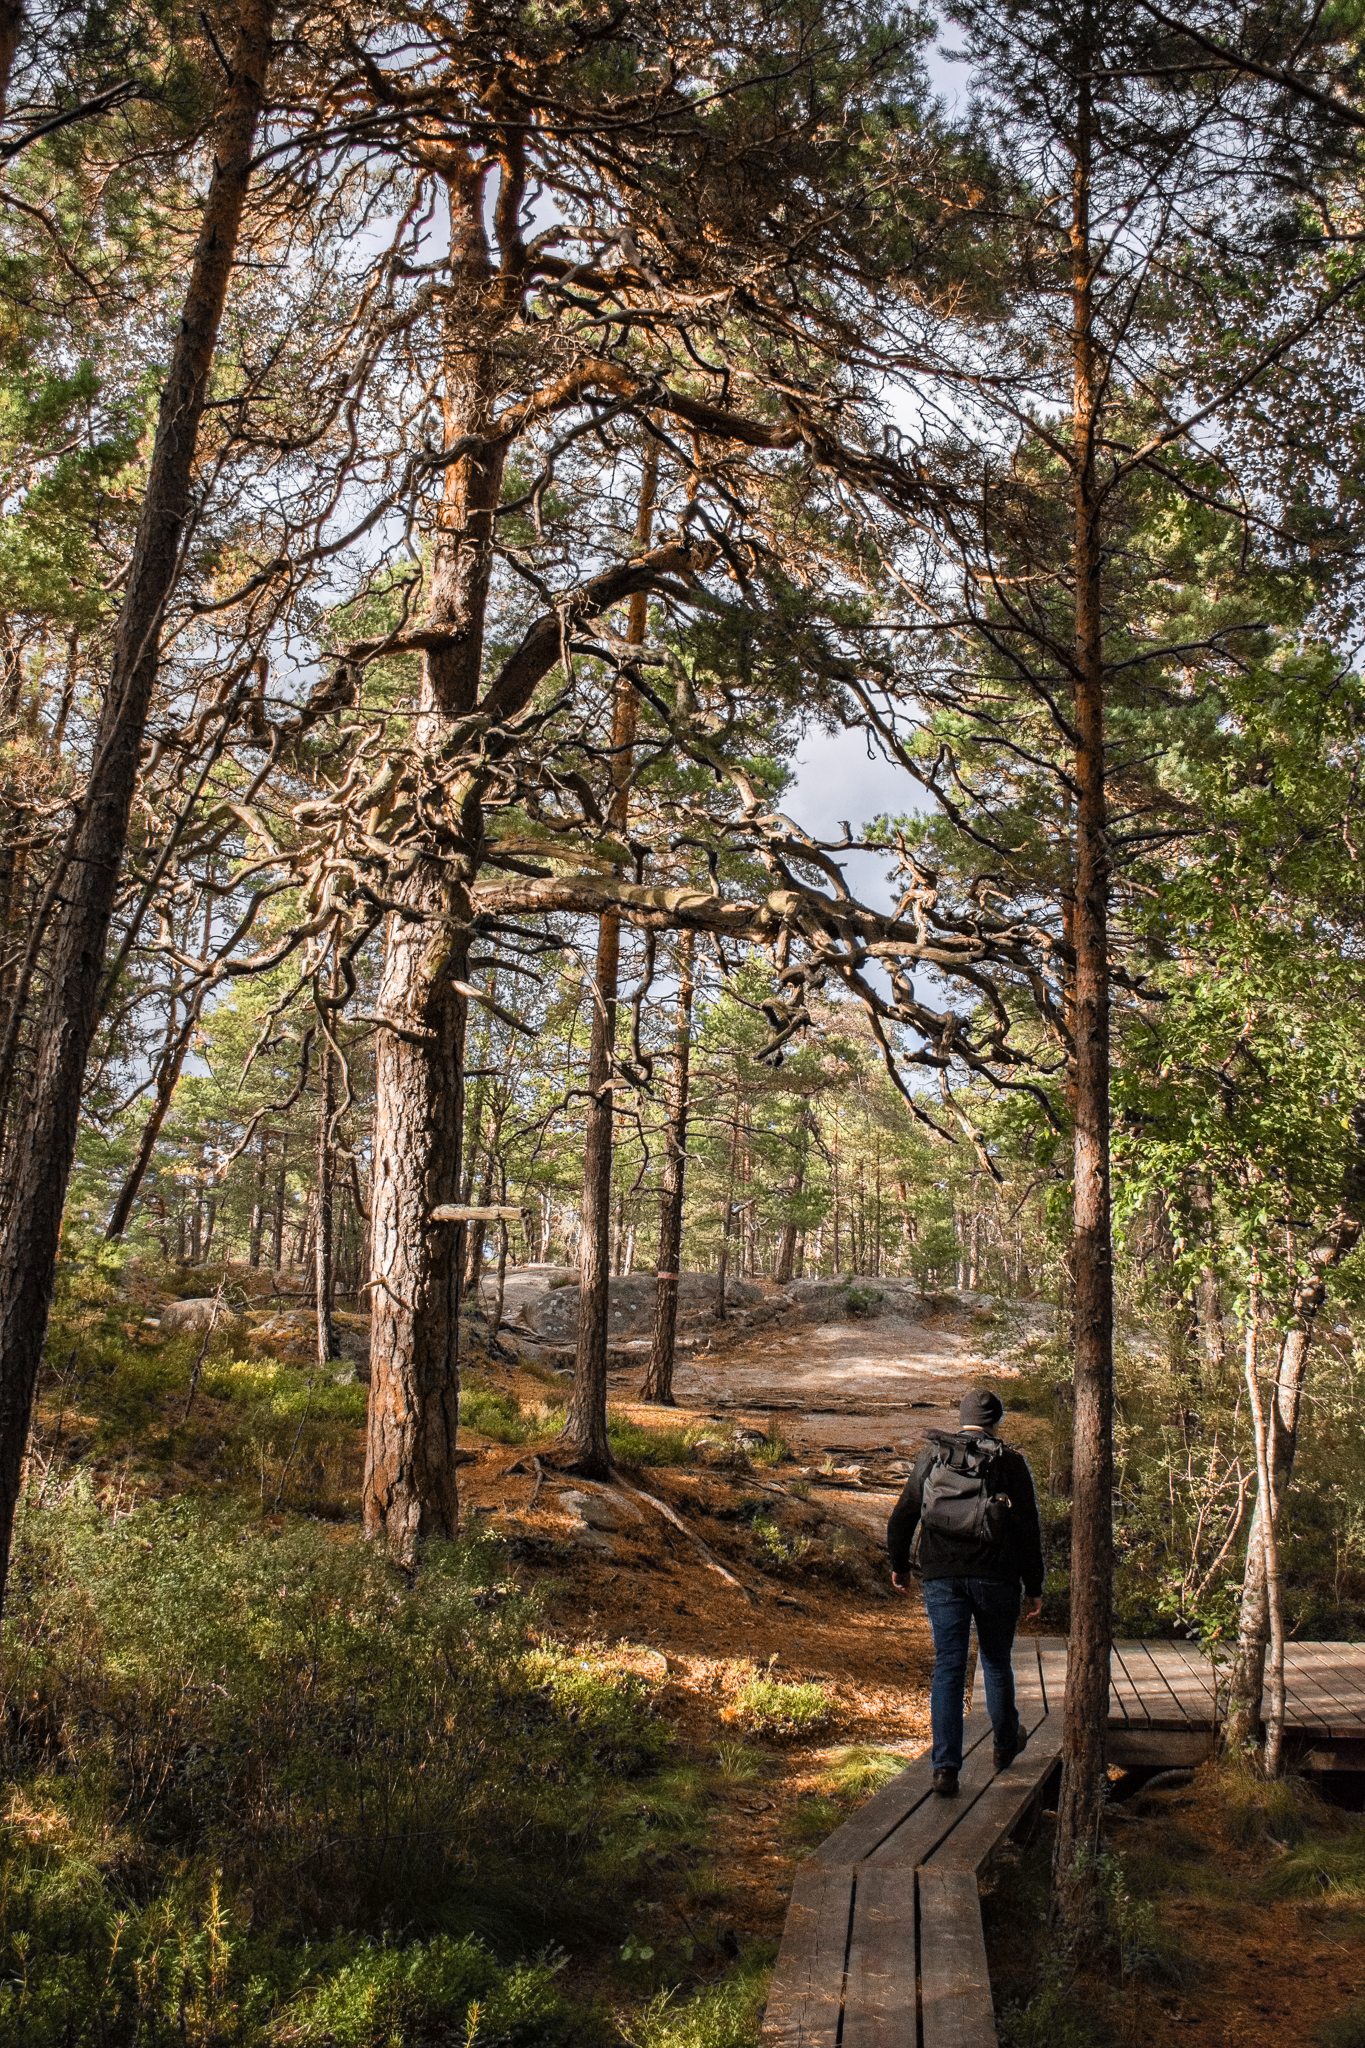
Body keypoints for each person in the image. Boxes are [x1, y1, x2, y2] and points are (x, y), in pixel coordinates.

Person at [886, 1387, 1045, 1798]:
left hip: (941, 1576)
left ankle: (945, 1768)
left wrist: (900, 1565)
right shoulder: (1010, 1462)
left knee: (949, 1667)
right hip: (997, 1576)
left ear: (962, 1418)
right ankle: (1005, 1743)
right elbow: (1028, 1529)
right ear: (997, 1421)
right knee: (995, 1662)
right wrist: (1035, 1586)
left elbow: (904, 1513)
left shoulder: (934, 1455)